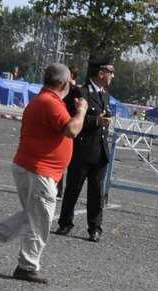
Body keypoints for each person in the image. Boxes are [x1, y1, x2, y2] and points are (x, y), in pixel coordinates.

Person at [0, 63, 88, 284]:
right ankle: (27, 266)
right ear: (65, 84)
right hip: (39, 171)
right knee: (40, 219)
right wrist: (82, 110)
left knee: (32, 212)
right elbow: (72, 130)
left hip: (31, 167)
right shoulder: (50, 103)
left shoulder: (41, 100)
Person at [55, 58, 114, 242]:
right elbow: (71, 118)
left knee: (97, 193)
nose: (112, 76)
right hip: (82, 150)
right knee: (73, 188)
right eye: (110, 71)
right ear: (100, 72)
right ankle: (65, 222)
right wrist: (96, 121)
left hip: (100, 151)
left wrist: (104, 119)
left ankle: (95, 227)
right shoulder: (80, 92)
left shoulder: (105, 93)